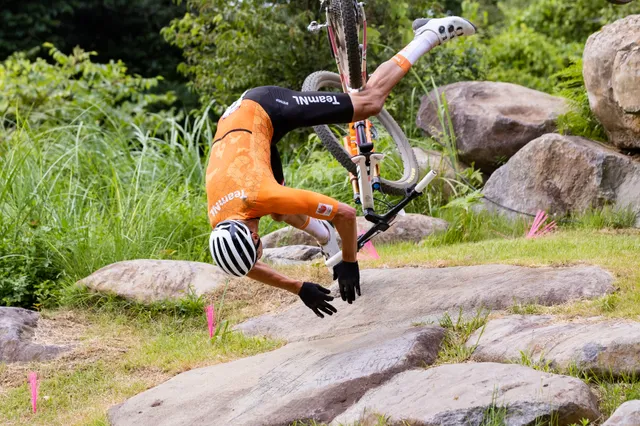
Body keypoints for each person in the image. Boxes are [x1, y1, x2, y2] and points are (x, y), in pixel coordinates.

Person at [206, 16, 476, 318]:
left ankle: (428, 34)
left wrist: (350, 261)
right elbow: (247, 266)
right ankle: (325, 239)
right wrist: (298, 287)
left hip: (264, 107)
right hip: (244, 139)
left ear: (254, 238)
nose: (258, 259)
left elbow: (345, 215)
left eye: (257, 254)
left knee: (370, 102)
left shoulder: (260, 196)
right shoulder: (221, 222)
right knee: (282, 213)